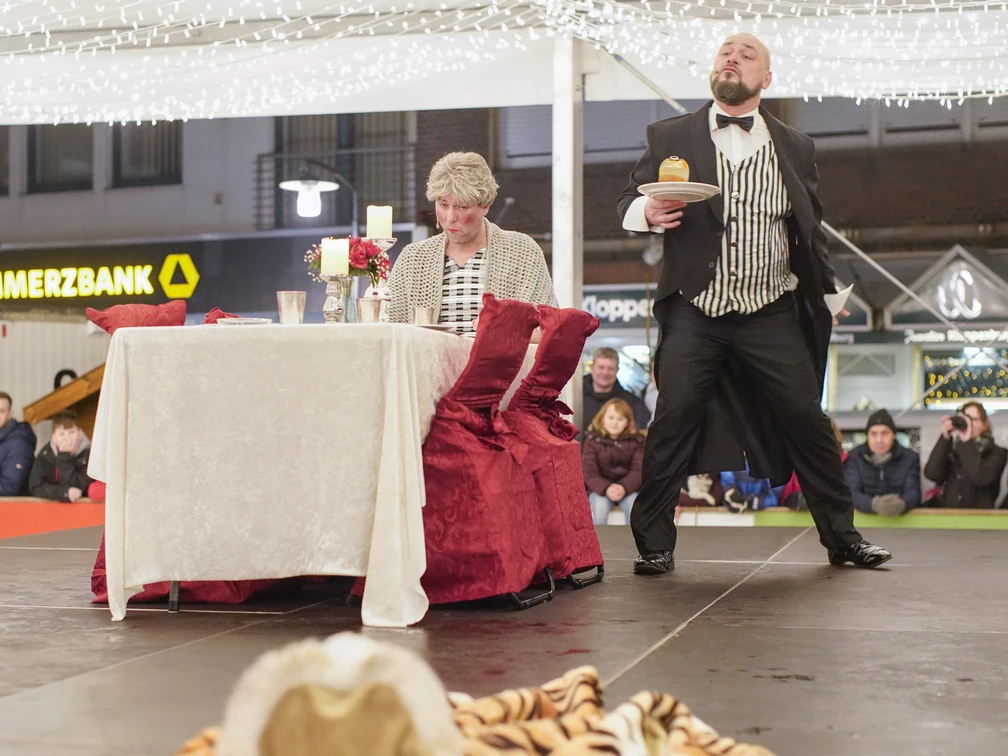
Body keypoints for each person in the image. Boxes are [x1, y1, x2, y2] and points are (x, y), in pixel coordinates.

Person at [616, 32, 890, 574]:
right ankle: (654, 544)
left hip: (771, 309)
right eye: (724, 52)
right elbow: (629, 197)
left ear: (766, 79)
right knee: (673, 418)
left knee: (807, 421)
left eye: (747, 55)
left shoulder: (795, 145)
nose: (731, 58)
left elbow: (809, 231)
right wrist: (644, 215)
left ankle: (843, 538)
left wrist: (829, 292)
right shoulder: (670, 134)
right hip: (698, 306)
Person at [386, 151, 557, 334]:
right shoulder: (413, 259)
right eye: (443, 205)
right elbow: (389, 329)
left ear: (485, 205)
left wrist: (499, 330)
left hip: (500, 363)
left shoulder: (522, 252)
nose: (450, 218)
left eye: (462, 207)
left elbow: (549, 328)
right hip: (430, 362)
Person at [924, 402, 1007, 509]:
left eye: (974, 419)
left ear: (985, 424)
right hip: (948, 518)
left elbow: (981, 478)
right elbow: (932, 474)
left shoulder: (997, 453)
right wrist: (945, 438)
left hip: (980, 519)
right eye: (965, 419)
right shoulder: (954, 451)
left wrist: (967, 441)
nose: (969, 424)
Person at [843, 409, 921, 516]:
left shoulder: (910, 458)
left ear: (893, 435)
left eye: (884, 433)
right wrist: (873, 504)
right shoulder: (854, 457)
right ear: (867, 436)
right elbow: (851, 493)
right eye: (874, 434)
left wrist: (902, 504)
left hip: (901, 525)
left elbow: (913, 493)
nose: (879, 439)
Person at [581, 399, 646, 525]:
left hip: (629, 489)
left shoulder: (638, 441)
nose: (615, 422)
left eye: (620, 419)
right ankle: (599, 543)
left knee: (634, 506)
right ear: (602, 419)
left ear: (628, 422)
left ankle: (633, 543)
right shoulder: (592, 440)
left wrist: (623, 487)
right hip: (600, 490)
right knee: (599, 506)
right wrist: (606, 488)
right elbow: (588, 471)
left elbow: (639, 470)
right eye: (611, 417)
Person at [581, 348, 651, 435]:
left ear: (617, 370)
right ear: (592, 367)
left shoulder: (632, 403)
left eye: (610, 368)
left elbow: (640, 433)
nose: (605, 372)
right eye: (601, 367)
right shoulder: (575, 398)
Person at [28, 411, 93, 502]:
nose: (67, 438)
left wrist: (64, 456)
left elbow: (79, 488)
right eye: (61, 434)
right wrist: (63, 493)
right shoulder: (46, 454)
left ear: (80, 434)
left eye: (72, 432)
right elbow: (35, 487)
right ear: (54, 437)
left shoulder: (90, 454)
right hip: (51, 511)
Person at [0, 392, 36, 496]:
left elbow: (9, 487)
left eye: (1, 411)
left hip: (14, 509)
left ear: (10, 414)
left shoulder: (19, 443)